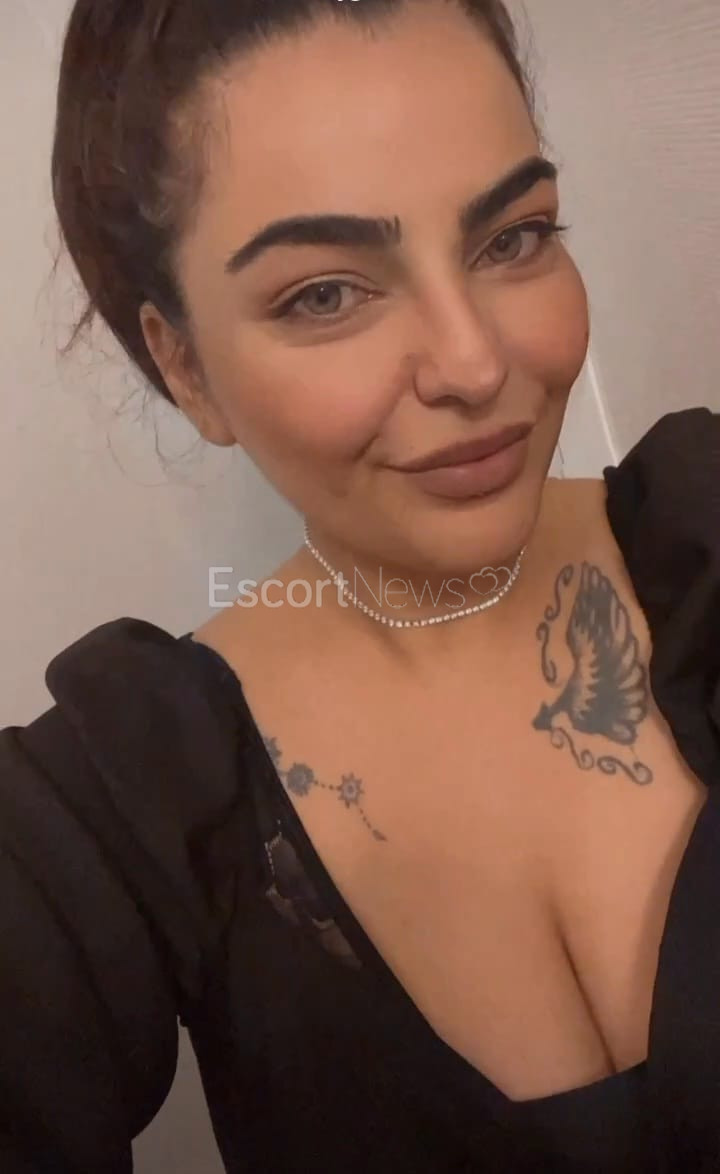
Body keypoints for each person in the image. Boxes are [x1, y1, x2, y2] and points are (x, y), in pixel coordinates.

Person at [1, 0, 719, 1169]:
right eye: (325, 294)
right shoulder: (120, 799)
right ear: (186, 367)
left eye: (513, 238)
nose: (474, 362)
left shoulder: (704, 530)